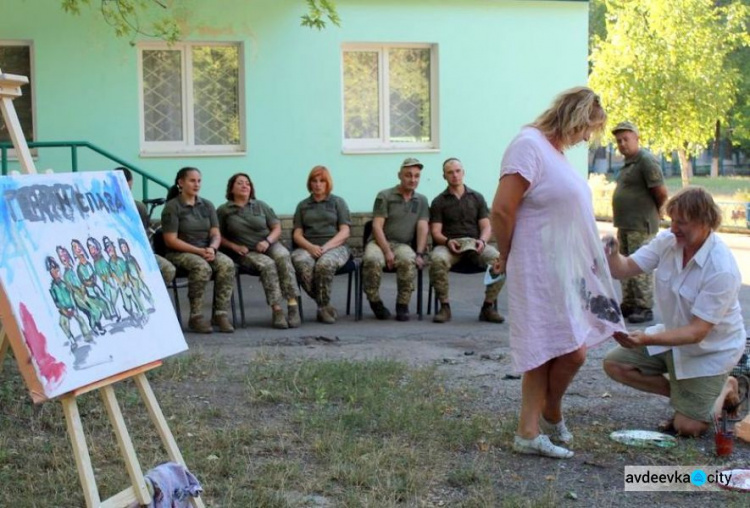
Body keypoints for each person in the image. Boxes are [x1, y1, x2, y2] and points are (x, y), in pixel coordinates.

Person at [491, 86, 622, 458]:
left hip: (559, 268)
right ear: (576, 118)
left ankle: (535, 426)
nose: (586, 139)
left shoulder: (554, 153)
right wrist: (507, 254)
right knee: (554, 349)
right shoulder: (528, 145)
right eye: (587, 130)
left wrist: (596, 246)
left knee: (560, 349)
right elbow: (502, 209)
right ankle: (537, 424)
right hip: (535, 266)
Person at [603, 187, 745, 437]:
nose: (674, 228)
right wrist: (612, 252)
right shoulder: (667, 241)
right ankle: (689, 397)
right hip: (672, 339)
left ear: (705, 222)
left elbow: (697, 332)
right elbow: (623, 269)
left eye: (682, 223)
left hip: (710, 351)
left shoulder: (721, 268)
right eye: (672, 221)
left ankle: (724, 386)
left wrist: (646, 338)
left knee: (687, 428)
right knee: (615, 364)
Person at [218, 172, 301, 329]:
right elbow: (217, 235)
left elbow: (276, 227)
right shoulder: (224, 210)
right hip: (245, 251)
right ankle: (277, 310)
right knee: (268, 265)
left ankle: (292, 305)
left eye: (247, 183)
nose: (244, 186)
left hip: (268, 243)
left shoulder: (260, 205)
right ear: (231, 189)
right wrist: (234, 246)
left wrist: (267, 241)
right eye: (240, 183)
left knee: (283, 256)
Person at [429, 157, 505, 324]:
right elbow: (435, 232)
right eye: (450, 172)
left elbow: (486, 227)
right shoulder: (438, 201)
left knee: (499, 260)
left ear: (463, 173)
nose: (455, 175)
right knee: (437, 259)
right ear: (444, 176)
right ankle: (444, 306)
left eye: (457, 171)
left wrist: (482, 242)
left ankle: (488, 307)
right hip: (450, 245)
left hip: (475, 244)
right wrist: (448, 241)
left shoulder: (477, 198)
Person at [161, 167, 235, 334]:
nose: (196, 184)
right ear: (181, 183)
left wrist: (212, 248)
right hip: (180, 252)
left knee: (227, 264)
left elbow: (215, 232)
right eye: (192, 180)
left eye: (199, 181)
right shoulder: (173, 207)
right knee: (201, 267)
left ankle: (220, 313)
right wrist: (199, 251)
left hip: (206, 249)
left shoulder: (207, 205)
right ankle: (196, 316)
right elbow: (170, 240)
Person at [610, 122, 668, 324]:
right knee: (624, 264)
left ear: (637, 138)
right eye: (619, 141)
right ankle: (629, 303)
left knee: (639, 264)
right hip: (625, 224)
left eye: (626, 139)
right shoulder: (629, 163)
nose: (622, 144)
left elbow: (660, 192)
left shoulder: (646, 160)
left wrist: (656, 212)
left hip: (640, 225)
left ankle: (643, 306)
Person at [362, 157, 429, 321]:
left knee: (409, 259)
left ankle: (402, 304)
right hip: (379, 242)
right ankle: (375, 301)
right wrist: (386, 251)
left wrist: (419, 253)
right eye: (408, 175)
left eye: (416, 176)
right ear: (399, 175)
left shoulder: (421, 200)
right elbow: (376, 226)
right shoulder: (385, 196)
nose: (412, 179)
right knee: (371, 259)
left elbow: (422, 227)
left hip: (402, 244)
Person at [291, 165, 352, 324]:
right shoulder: (303, 205)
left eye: (322, 181)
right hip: (308, 246)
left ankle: (322, 307)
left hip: (335, 246)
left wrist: (326, 248)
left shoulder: (338, 202)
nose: (318, 185)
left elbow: (345, 231)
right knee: (300, 262)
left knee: (324, 264)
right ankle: (324, 305)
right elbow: (297, 234)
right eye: (314, 181)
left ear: (327, 183)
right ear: (310, 183)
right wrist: (310, 247)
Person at [115, 167, 177, 285]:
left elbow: (143, 236)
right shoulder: (99, 209)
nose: (124, 193)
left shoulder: (138, 207)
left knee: (168, 270)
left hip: (135, 252)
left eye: (128, 189)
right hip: (115, 256)